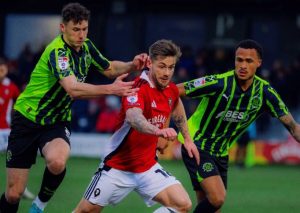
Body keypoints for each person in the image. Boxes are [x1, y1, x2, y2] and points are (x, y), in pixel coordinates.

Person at [0, 3, 148, 213]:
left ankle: (38, 206)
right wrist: (111, 90)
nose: (81, 34)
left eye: (84, 29)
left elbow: (109, 68)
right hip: (27, 119)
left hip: (57, 120)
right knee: (14, 194)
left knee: (58, 162)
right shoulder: (57, 52)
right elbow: (72, 89)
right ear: (63, 28)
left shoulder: (86, 46)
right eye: (75, 30)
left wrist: (132, 65)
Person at [74, 39, 200, 213]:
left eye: (171, 67)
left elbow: (176, 104)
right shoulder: (136, 88)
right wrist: (159, 131)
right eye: (162, 66)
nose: (167, 73)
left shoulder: (170, 88)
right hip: (117, 166)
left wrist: (187, 139)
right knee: (84, 211)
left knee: (182, 204)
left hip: (147, 167)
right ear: (150, 63)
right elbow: (134, 118)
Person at [176, 39, 300, 212]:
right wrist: (164, 125)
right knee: (218, 198)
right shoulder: (219, 82)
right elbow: (174, 91)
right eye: (239, 60)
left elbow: (293, 126)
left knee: (212, 206)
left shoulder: (265, 93)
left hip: (221, 153)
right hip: (197, 145)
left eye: (249, 61)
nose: (243, 65)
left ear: (259, 63)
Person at [0, 57, 35, 200]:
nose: (1, 73)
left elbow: (20, 103)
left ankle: (21, 188)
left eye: (3, 70)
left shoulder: (11, 87)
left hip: (7, 131)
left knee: (18, 158)